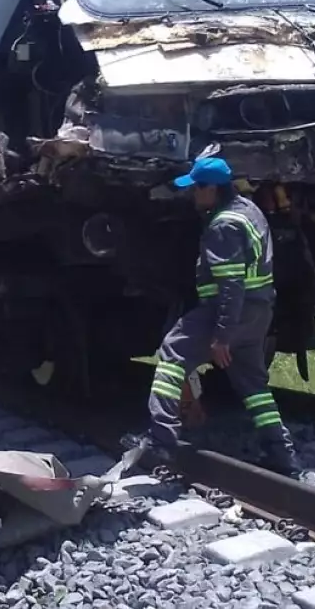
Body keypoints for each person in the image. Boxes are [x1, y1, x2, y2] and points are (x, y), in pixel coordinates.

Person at [122, 156, 301, 478]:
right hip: (259, 312)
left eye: (196, 189)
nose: (193, 195)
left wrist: (221, 335)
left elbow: (230, 284)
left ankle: (160, 440)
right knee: (254, 387)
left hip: (227, 310)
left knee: (172, 355)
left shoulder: (223, 226)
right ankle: (282, 454)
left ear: (211, 189)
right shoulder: (251, 211)